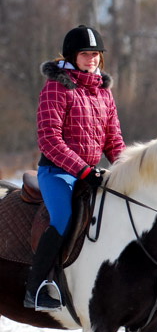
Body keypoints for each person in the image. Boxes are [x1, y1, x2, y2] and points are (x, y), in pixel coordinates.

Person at [24, 24, 125, 311]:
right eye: (85, 54)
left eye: (96, 54)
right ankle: (35, 288)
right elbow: (49, 139)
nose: (92, 59)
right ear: (72, 56)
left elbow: (113, 140)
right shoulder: (56, 87)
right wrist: (82, 171)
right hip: (58, 172)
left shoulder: (104, 93)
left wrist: (128, 169)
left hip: (90, 172)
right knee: (63, 217)